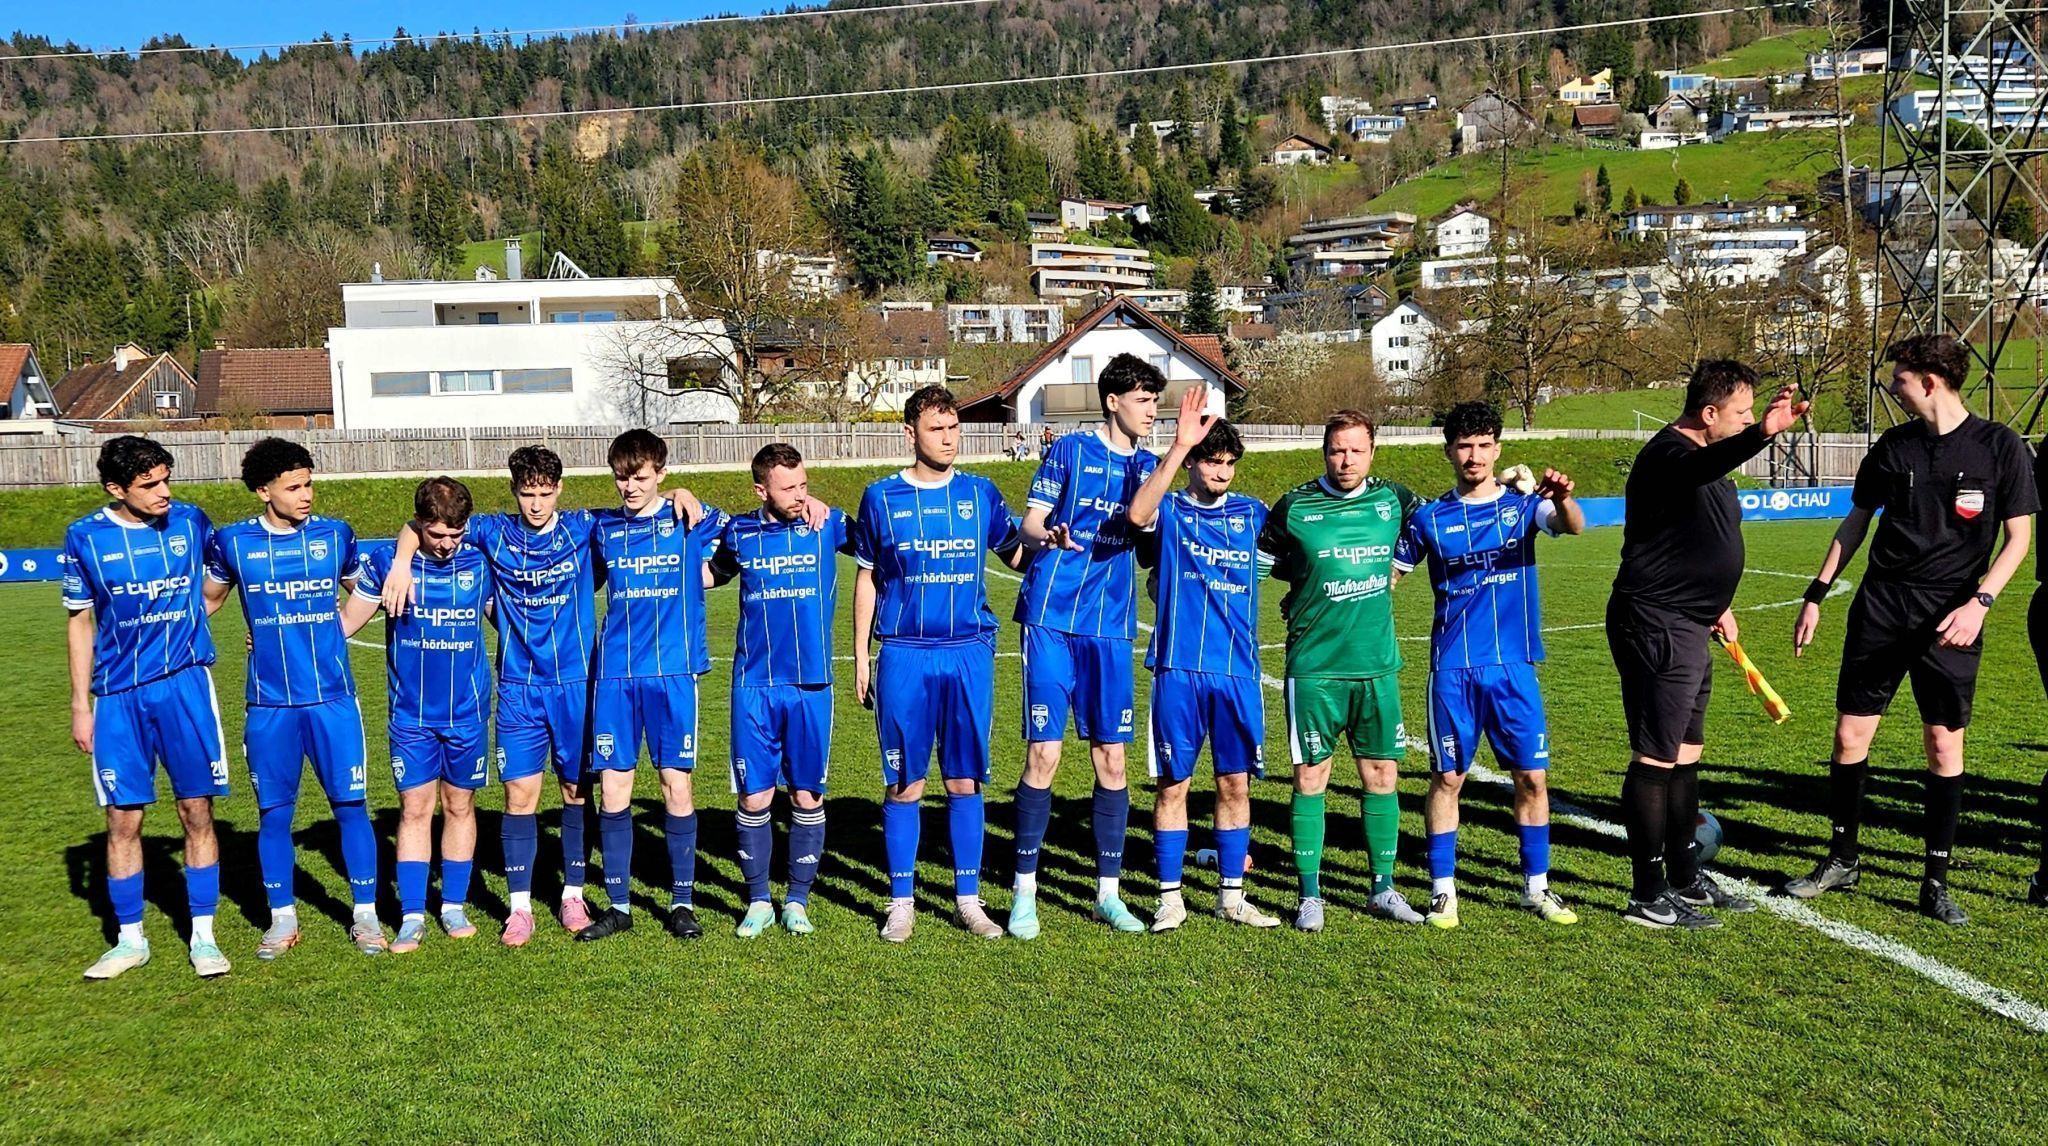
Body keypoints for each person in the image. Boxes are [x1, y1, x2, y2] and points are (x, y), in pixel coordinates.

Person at [377, 447, 706, 946]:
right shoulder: (492, 532)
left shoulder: (583, 526)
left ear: (560, 489)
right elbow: (420, 522)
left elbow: (646, 506)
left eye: (545, 492)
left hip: (578, 685)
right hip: (517, 687)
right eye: (527, 493)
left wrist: (679, 491)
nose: (536, 504)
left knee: (576, 791)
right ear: (514, 492)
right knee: (519, 795)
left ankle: (573, 894)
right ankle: (519, 907)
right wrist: (402, 561)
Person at [1789, 334, 2036, 924]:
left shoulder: (1999, 446)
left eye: (1899, 377)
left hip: (1952, 614)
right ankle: (1842, 858)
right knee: (1850, 738)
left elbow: (2019, 538)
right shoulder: (1893, 446)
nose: (1892, 386)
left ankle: (1935, 878)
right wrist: (1817, 594)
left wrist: (1980, 601)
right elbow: (1855, 524)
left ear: (1929, 381)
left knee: (1943, 743)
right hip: (1880, 607)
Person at [1608, 360, 1806, 929]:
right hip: (1656, 624)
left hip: (1693, 621)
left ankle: (1685, 876)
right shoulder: (1669, 456)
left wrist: (1717, 602)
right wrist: (1760, 434)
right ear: (1710, 413)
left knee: (1686, 754)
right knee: (1656, 756)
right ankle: (1648, 894)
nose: (1748, 419)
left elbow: (1692, 537)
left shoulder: (1707, 464)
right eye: (1741, 411)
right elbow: (1702, 467)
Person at [1390, 402, 1584, 930]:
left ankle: (1536, 888)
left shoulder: (1524, 507)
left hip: (1513, 668)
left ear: (1497, 448)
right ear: (1449, 451)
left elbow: (1571, 526)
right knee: (1447, 778)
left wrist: (1563, 499)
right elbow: (1390, 576)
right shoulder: (1429, 518)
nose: (1473, 455)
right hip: (1452, 669)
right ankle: (1443, 890)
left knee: (1532, 778)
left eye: (1483, 445)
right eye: (1463, 445)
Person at [853, 385, 1032, 942]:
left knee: (964, 780)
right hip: (905, 652)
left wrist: (1053, 541)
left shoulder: (981, 493)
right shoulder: (880, 498)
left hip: (968, 653)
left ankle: (968, 899)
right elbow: (866, 576)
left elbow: (1018, 554)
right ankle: (901, 900)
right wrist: (861, 654)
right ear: (910, 434)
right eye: (937, 429)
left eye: (954, 428)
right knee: (905, 781)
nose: (949, 439)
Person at [202, 438, 385, 958]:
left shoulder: (335, 535)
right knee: (274, 814)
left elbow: (364, 590)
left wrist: (337, 629)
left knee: (351, 806)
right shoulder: (233, 543)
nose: (306, 495)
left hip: (333, 701)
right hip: (269, 705)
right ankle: (282, 921)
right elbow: (205, 603)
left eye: (309, 484)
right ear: (264, 491)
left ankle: (366, 917)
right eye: (294, 486)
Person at [64, 437, 233, 980]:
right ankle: (130, 939)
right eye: (149, 485)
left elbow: (220, 577)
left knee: (196, 811)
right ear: (116, 489)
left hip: (185, 687)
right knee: (122, 817)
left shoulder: (190, 521)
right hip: (117, 696)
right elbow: (80, 622)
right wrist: (80, 705)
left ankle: (203, 937)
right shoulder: (86, 537)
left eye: (166, 480)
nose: (164, 493)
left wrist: (198, 618)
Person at [1007, 353, 1162, 938]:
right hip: (1050, 616)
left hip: (1111, 625)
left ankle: (1108, 893)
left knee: (1112, 759)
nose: (1152, 410)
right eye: (1143, 399)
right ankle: (1024, 894)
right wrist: (1047, 533)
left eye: (1155, 399)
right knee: (1043, 755)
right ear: (1113, 401)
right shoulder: (1069, 450)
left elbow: (1146, 541)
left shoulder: (1149, 466)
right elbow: (1029, 523)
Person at [1257, 409, 1425, 931]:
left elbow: (1433, 527)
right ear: (1324, 452)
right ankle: (1310, 895)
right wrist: (1299, 583)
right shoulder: (1295, 505)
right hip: (1314, 668)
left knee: (1382, 776)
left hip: (1376, 666)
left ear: (1372, 452)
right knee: (1312, 777)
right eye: (1336, 450)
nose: (1345, 459)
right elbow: (1260, 562)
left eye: (1355, 449)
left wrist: (1397, 570)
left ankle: (1383, 889)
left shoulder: (1395, 500)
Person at [1125, 384, 1283, 931]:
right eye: (1211, 461)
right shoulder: (1168, 510)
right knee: (1173, 785)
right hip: (1178, 669)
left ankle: (1232, 897)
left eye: (1229, 463)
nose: (1221, 473)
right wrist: (1176, 447)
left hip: (1238, 671)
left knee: (1234, 784)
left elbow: (1304, 539)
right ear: (1192, 461)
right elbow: (1135, 512)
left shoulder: (1253, 512)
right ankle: (1171, 897)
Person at [574, 430, 732, 943]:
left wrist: (689, 495)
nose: (629, 487)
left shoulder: (690, 517)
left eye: (640, 477)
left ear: (661, 472)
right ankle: (618, 906)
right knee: (614, 788)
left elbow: (748, 532)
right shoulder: (600, 528)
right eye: (621, 477)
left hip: (673, 675)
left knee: (676, 785)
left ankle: (682, 903)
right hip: (617, 676)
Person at [707, 444, 854, 938]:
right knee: (755, 797)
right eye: (787, 487)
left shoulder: (827, 525)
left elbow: (879, 542)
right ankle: (758, 901)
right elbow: (710, 573)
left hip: (812, 684)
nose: (799, 494)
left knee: (808, 795)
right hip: (754, 686)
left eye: (803, 484)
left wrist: (830, 508)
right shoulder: (740, 532)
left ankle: (796, 900)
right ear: (760, 489)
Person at [341, 477, 494, 953]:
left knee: (460, 806)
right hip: (411, 716)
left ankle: (452, 905)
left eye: (455, 534)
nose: (448, 545)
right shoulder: (389, 564)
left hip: (468, 711)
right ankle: (411, 915)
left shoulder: (480, 559)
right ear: (419, 526)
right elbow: (345, 624)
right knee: (414, 809)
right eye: (436, 535)